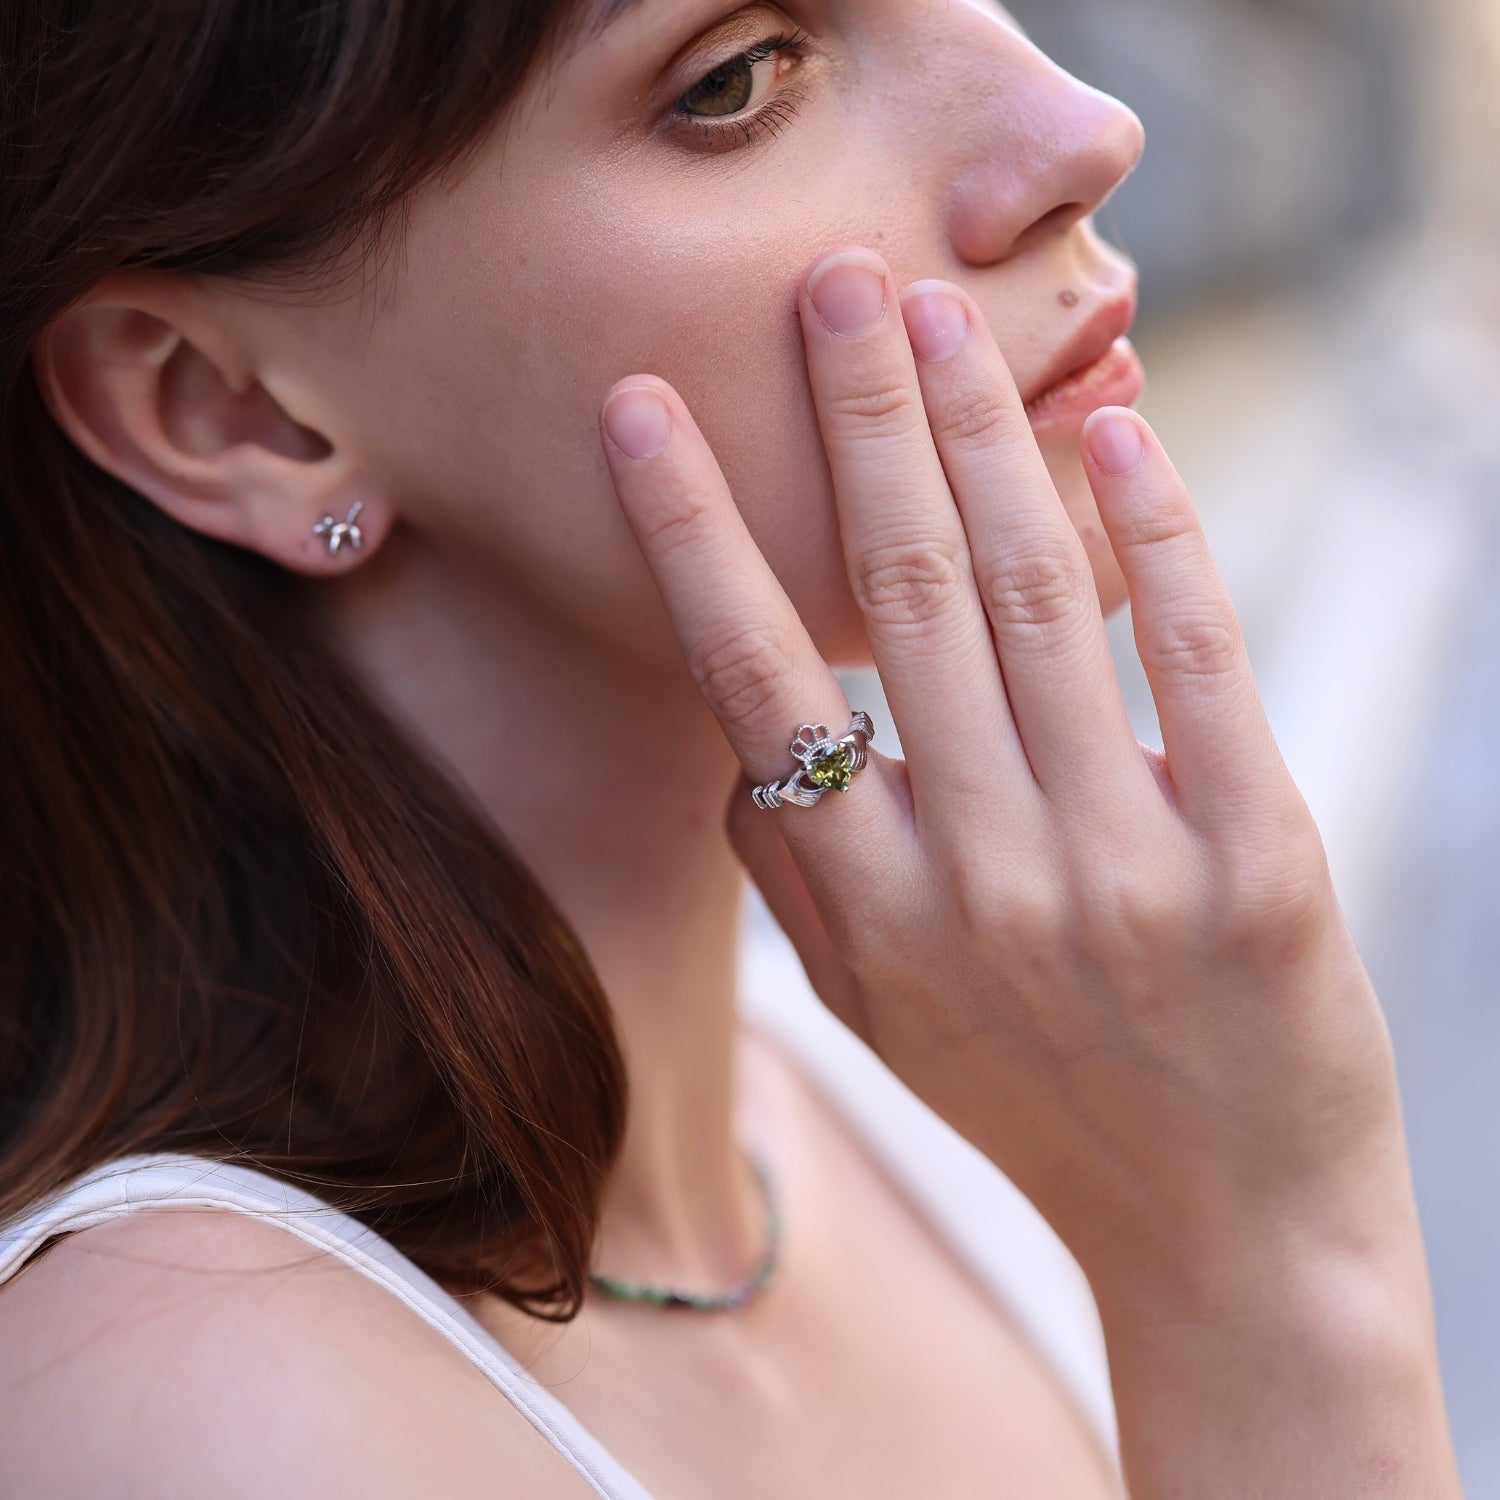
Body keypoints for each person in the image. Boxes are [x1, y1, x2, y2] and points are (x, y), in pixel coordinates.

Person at [0, 1, 1463, 1494]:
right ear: (229, 409)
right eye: (735, 79)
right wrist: (1269, 1276)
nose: (1081, 129)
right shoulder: (208, 1416)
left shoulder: (955, 1097)